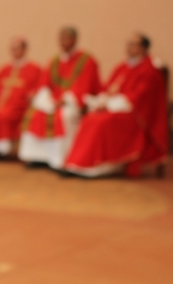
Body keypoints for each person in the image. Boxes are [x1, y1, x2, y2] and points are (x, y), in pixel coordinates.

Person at [64, 33, 167, 178]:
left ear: (144, 48)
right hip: (114, 108)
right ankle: (80, 165)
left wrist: (108, 105)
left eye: (134, 44)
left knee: (101, 122)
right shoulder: (122, 67)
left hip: (135, 115)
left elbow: (139, 98)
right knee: (90, 119)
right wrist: (101, 101)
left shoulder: (150, 70)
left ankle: (95, 168)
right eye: (128, 44)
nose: (129, 47)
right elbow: (107, 88)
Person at [18, 27, 100, 169]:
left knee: (64, 116)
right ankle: (38, 158)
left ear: (75, 40)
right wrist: (42, 97)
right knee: (35, 114)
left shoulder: (87, 60)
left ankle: (60, 159)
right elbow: (44, 83)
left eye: (66, 38)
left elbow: (85, 85)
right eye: (61, 38)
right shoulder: (55, 60)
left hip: (72, 102)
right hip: (53, 101)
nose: (63, 41)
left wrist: (66, 100)